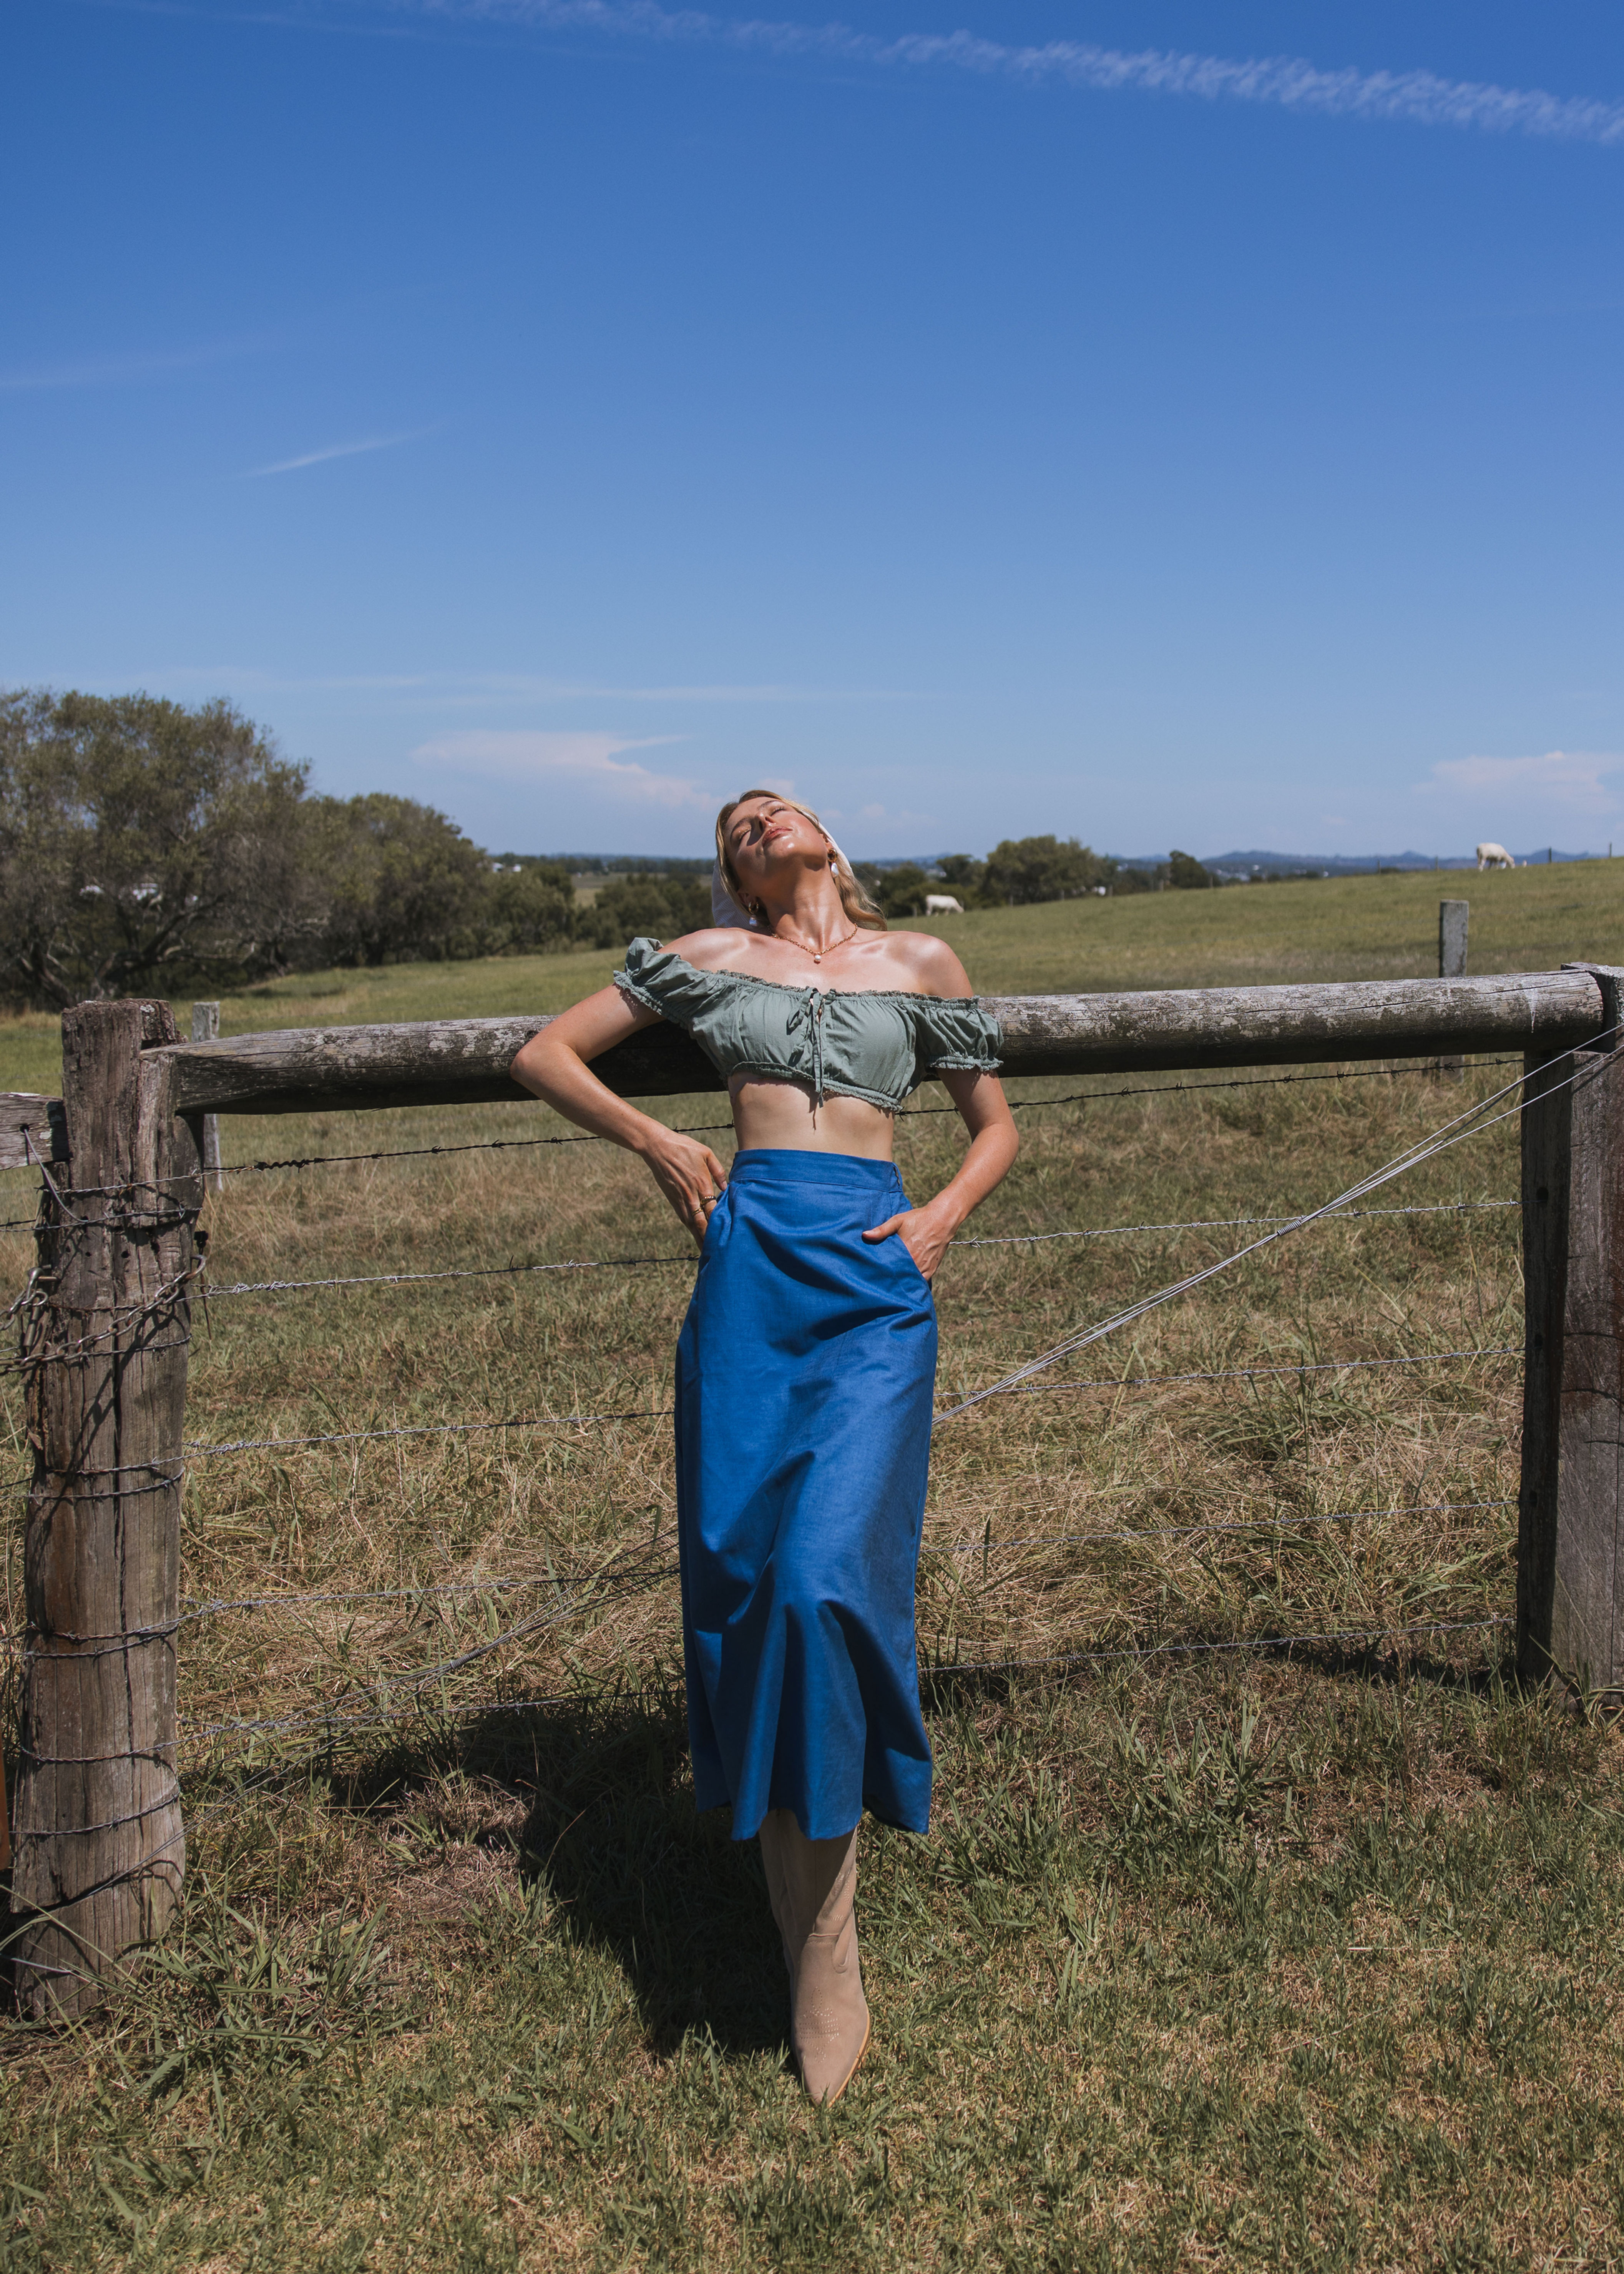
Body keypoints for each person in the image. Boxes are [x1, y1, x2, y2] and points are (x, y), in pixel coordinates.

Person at [509, 791, 1018, 2101]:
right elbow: (545, 1055)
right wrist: (660, 1135)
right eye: (735, 821)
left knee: (824, 1582)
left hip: (871, 1272)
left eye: (776, 804)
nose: (758, 816)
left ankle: (825, 1941)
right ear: (732, 873)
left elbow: (996, 1123)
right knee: (749, 1585)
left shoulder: (921, 965)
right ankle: (814, 1948)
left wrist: (940, 1218)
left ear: (832, 843)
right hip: (750, 1274)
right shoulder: (708, 956)